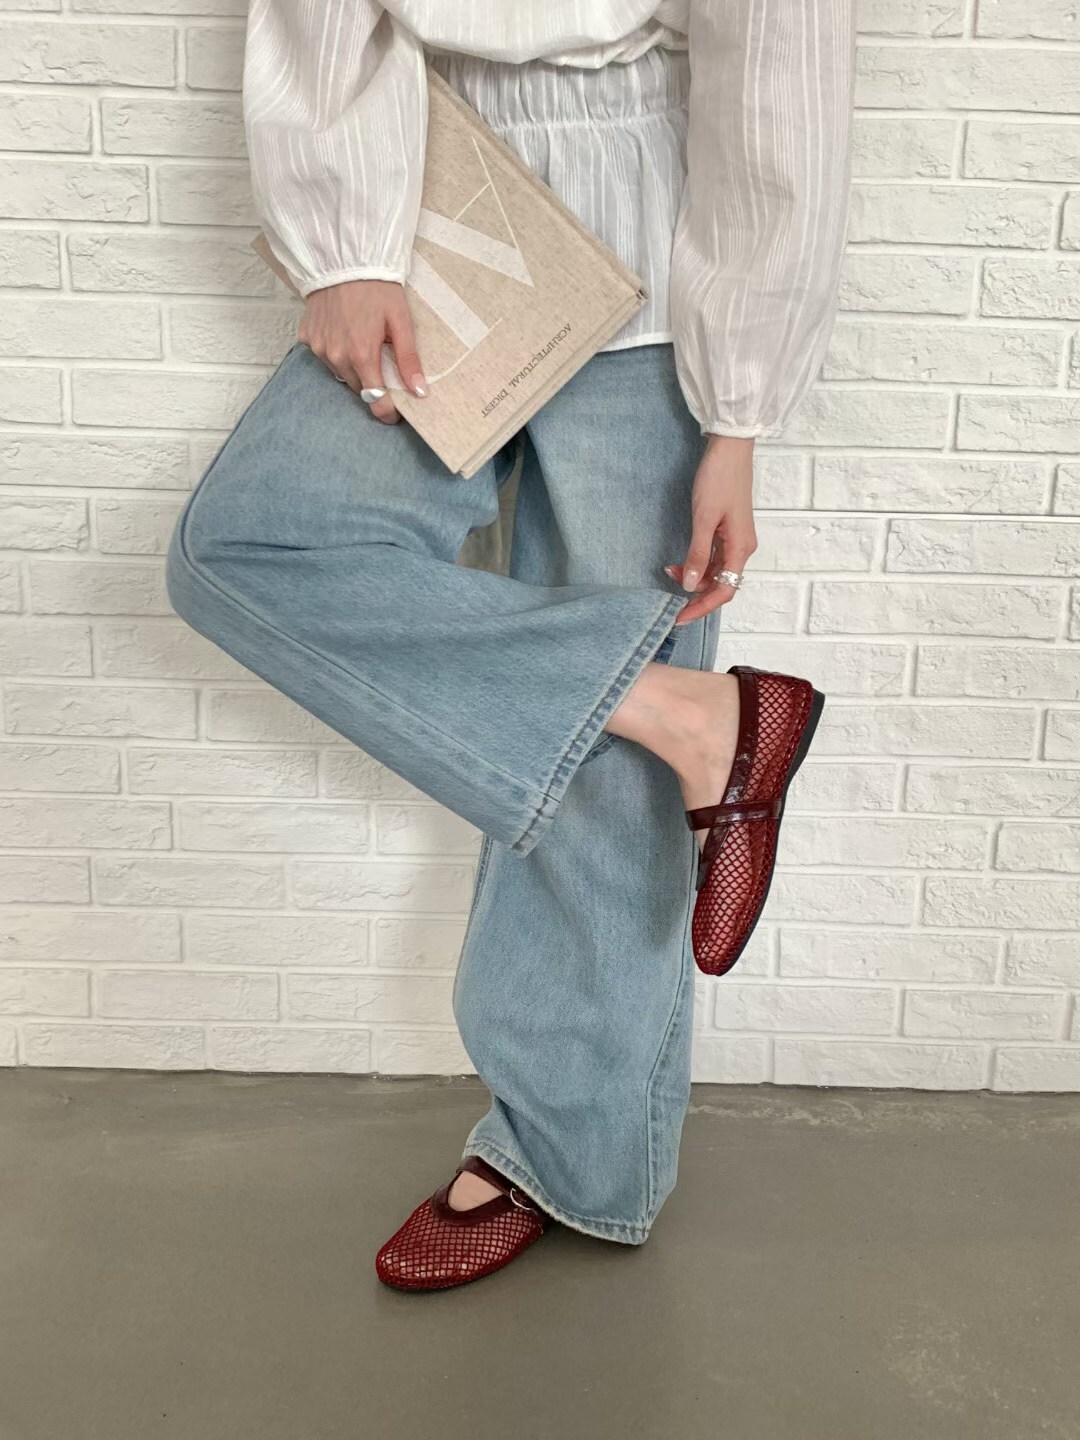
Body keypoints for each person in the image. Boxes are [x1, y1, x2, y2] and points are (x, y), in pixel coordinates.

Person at [165, 0, 855, 1290]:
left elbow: (780, 79)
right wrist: (342, 247)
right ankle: (694, 717)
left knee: (603, 772)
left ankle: (568, 1151)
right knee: (250, 546)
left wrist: (740, 414)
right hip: (431, 218)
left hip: (651, 252)